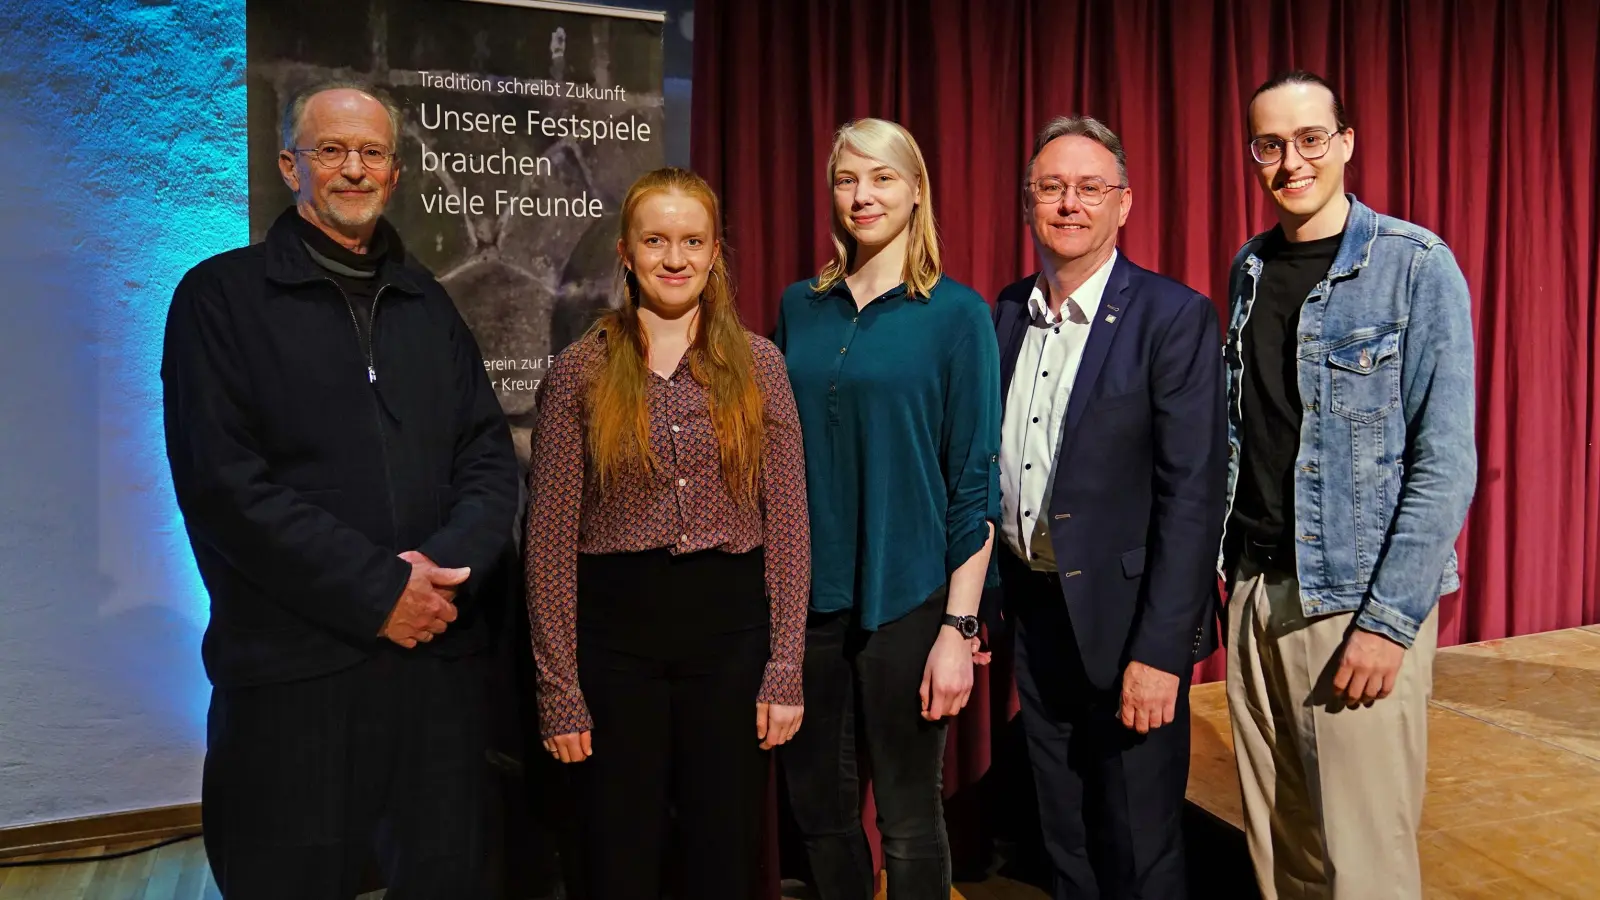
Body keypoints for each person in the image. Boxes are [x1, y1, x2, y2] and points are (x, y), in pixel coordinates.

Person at [161, 80, 520, 898]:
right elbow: (225, 488)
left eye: (372, 153)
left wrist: (441, 576)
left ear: (395, 175)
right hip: (294, 680)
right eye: (332, 150)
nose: (353, 169)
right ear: (291, 165)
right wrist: (378, 589)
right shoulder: (219, 300)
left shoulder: (431, 304)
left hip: (434, 670)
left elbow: (490, 461)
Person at [1222, 71, 1476, 899]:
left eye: (1309, 139)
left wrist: (1389, 624)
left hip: (1353, 606)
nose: (1290, 161)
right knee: (1281, 855)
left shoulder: (1414, 265)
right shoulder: (1249, 270)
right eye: (1270, 144)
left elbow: (1445, 464)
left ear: (1346, 144)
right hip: (1256, 592)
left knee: (1365, 869)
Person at [524, 166, 810, 900]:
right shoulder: (578, 373)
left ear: (716, 253)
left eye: (692, 241)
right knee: (619, 847)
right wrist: (560, 691)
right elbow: (549, 545)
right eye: (656, 240)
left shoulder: (762, 367)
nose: (674, 258)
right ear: (626, 251)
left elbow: (788, 528)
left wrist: (784, 668)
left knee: (723, 846)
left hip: (730, 635)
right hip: (616, 642)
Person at [991, 116, 1228, 899]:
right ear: (1028, 204)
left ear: (1123, 204)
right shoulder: (1003, 314)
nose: (1069, 205)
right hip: (1035, 611)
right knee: (1062, 831)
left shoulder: (1172, 316)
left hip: (1130, 625)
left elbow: (1193, 496)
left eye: (1090, 189)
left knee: (1140, 840)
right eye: (1051, 188)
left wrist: (1163, 654)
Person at [773, 117, 1001, 900]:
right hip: (805, 598)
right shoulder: (800, 307)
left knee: (908, 820)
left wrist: (958, 629)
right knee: (819, 814)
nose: (862, 195)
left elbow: (976, 484)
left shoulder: (957, 315)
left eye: (881, 178)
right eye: (847, 179)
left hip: (910, 596)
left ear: (915, 192)